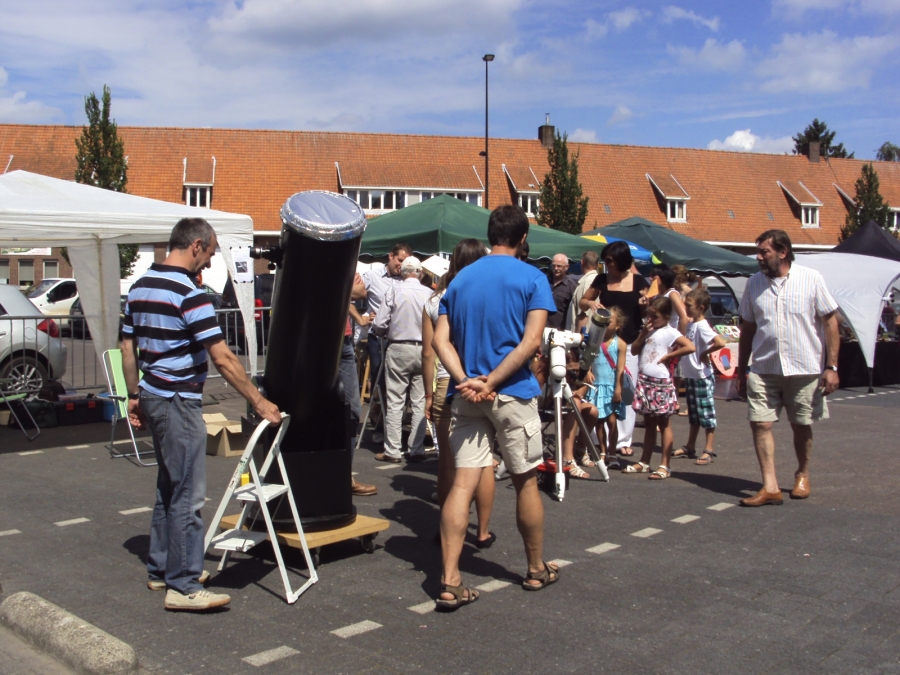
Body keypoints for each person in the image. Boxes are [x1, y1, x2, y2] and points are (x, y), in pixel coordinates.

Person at [121, 217, 281, 612]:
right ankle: (184, 584)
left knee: (168, 486)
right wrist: (258, 401)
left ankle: (162, 569)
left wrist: (134, 395)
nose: (208, 263)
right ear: (195, 245)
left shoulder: (139, 288)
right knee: (188, 494)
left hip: (153, 393)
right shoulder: (189, 294)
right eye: (208, 254)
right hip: (178, 399)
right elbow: (223, 358)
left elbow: (127, 348)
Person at [434, 204, 558, 610]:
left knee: (462, 484)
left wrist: (466, 379)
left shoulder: (460, 279)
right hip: (512, 392)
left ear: (491, 235)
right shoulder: (532, 277)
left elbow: (440, 341)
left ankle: (450, 579)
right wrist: (492, 380)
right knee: (525, 481)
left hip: (467, 394)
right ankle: (535, 568)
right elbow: (531, 341)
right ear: (523, 238)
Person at [736, 230, 840, 506]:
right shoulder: (753, 283)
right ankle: (770, 486)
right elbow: (748, 328)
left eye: (764, 252)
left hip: (804, 367)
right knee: (760, 423)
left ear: (783, 252)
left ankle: (802, 473)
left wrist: (831, 366)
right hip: (763, 367)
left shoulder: (811, 278)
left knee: (801, 424)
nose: (758, 257)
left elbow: (830, 322)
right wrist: (741, 368)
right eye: (758, 252)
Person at [422, 239, 494, 547]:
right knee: (483, 460)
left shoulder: (436, 299)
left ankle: (446, 527)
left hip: (445, 382)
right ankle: (482, 530)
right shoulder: (488, 293)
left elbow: (429, 352)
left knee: (448, 463)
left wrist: (427, 395)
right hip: (482, 381)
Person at [579, 241, 650, 457]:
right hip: (603, 341)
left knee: (625, 388)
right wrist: (591, 304)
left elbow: (649, 310)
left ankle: (623, 440)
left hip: (628, 341)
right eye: (605, 260)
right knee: (599, 387)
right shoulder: (602, 279)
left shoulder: (639, 281)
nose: (607, 264)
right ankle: (598, 439)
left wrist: (645, 305)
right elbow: (583, 301)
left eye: (610, 261)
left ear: (621, 260)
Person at [622, 296, 695, 480]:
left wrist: (669, 356)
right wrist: (642, 334)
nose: (651, 319)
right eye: (649, 315)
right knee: (649, 423)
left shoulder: (670, 332)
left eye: (655, 316)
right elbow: (634, 350)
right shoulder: (649, 330)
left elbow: (690, 347)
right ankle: (644, 462)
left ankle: (664, 465)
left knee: (663, 423)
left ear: (666, 316)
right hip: (645, 380)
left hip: (660, 381)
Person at [373, 256, 432, 463]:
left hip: (398, 346)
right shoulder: (429, 293)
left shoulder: (394, 290)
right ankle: (416, 449)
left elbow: (379, 324)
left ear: (403, 273)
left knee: (395, 400)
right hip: (424, 348)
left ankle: (393, 450)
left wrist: (383, 331)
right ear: (420, 273)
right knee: (420, 401)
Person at [362, 242, 412, 441]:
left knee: (399, 383)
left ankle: (388, 424)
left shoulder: (407, 280)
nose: (401, 265)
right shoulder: (372, 276)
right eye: (400, 260)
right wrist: (363, 317)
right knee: (380, 380)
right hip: (378, 336)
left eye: (405, 262)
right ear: (391, 256)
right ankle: (379, 424)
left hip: (398, 336)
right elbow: (351, 293)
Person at [673, 289, 727, 465]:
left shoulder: (702, 326)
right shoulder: (692, 324)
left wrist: (705, 353)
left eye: (689, 306)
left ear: (701, 307)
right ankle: (690, 445)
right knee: (695, 414)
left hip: (701, 376)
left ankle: (708, 449)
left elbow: (720, 342)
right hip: (691, 375)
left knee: (706, 414)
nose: (686, 309)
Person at [344, 273, 377, 495]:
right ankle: (340, 476)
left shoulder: (344, 264)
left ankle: (344, 475)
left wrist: (358, 319)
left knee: (352, 410)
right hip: (327, 342)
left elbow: (359, 292)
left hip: (344, 341)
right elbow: (351, 292)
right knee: (346, 410)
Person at [584, 306, 628, 468]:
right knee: (599, 421)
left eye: (610, 321)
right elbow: (587, 358)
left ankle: (612, 452)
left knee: (612, 420)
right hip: (596, 386)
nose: (606, 323)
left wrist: (618, 389)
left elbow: (621, 369)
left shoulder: (620, 344)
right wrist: (588, 371)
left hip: (611, 386)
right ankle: (603, 451)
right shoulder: (594, 340)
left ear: (617, 325)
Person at [567, 251, 600, 333]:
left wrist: (579, 337)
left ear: (582, 262)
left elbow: (583, 314)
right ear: (597, 264)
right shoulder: (598, 280)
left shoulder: (587, 281)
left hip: (583, 335)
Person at [546, 253, 577, 330]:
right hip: (541, 328)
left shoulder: (571, 286)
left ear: (567, 267)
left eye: (559, 266)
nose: (556, 268)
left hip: (559, 331)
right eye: (553, 266)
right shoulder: (543, 282)